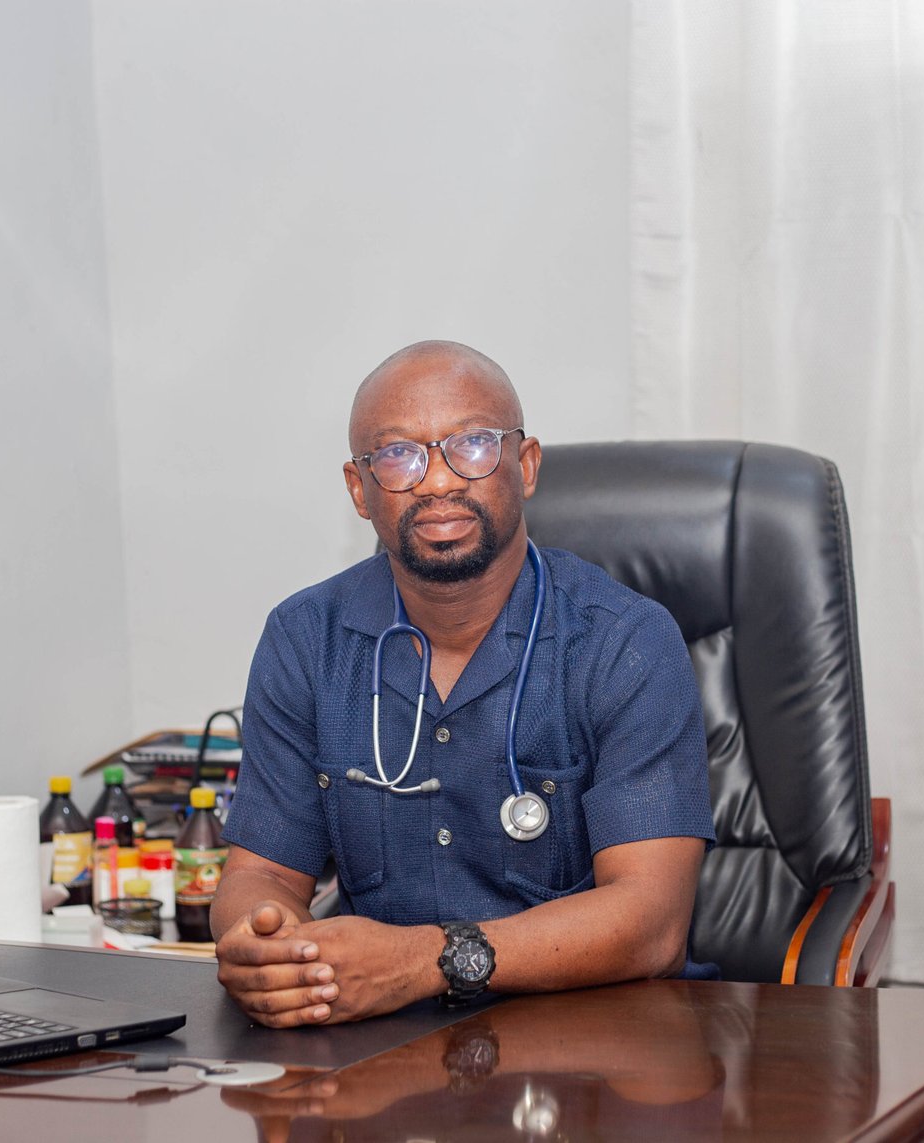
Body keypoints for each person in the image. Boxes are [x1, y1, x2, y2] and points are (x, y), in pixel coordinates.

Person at [214, 341, 714, 1027]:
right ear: (359, 489)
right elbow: (261, 875)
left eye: (473, 444)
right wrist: (269, 947)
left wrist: (424, 961)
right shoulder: (306, 639)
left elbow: (653, 923)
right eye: (399, 455)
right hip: (373, 1041)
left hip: (592, 1041)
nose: (438, 481)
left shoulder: (624, 641)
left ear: (525, 465)